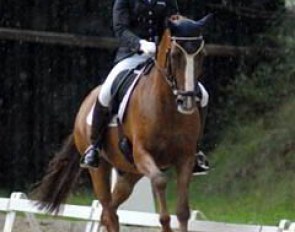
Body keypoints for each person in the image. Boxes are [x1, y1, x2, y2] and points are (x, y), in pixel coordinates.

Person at [80, 0, 210, 174]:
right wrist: (140, 44)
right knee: (106, 91)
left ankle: (196, 149)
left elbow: (174, 24)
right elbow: (120, 29)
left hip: (164, 58)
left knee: (204, 95)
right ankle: (94, 147)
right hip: (131, 56)